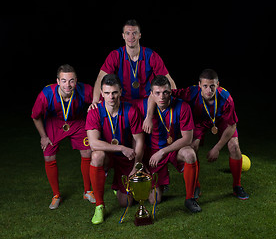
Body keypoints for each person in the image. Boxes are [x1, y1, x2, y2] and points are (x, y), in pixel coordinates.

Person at [171, 69, 249, 200]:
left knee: (234, 146)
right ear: (199, 85)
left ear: (218, 85)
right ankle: (195, 185)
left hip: (220, 121)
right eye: (205, 86)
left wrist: (217, 148)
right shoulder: (191, 93)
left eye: (212, 86)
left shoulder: (226, 97)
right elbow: (169, 93)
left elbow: (232, 126)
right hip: (199, 122)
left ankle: (237, 186)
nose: (209, 90)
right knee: (192, 147)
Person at [31, 64, 95, 209]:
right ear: (58, 81)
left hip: (77, 121)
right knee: (48, 156)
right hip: (54, 123)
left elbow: (99, 97)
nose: (68, 85)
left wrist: (94, 106)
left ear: (76, 81)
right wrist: (43, 136)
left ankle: (87, 191)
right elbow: (35, 116)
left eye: (71, 80)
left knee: (87, 152)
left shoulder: (83, 89)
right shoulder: (46, 94)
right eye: (64, 81)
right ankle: (56, 195)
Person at [136, 75, 201, 213]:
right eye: (157, 93)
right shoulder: (142, 107)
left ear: (170, 92)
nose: (162, 97)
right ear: (151, 94)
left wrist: (163, 152)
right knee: (154, 200)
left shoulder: (182, 106)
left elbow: (187, 139)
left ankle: (190, 198)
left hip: (173, 148)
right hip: (153, 151)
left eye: (165, 92)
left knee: (190, 154)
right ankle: (161, 182)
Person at [86, 74, 144, 225]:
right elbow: (93, 144)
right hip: (108, 155)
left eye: (114, 92)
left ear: (121, 91)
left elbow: (139, 140)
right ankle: (99, 206)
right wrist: (121, 147)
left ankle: (116, 185)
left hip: (127, 158)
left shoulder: (131, 110)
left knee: (127, 203)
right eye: (106, 93)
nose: (110, 97)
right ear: (101, 93)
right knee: (97, 155)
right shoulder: (94, 111)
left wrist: (136, 166)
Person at [92, 19, 176, 104]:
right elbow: (100, 78)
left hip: (147, 102)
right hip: (122, 102)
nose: (131, 37)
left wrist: (175, 101)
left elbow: (168, 80)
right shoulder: (115, 55)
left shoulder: (151, 56)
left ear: (139, 35)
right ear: (123, 36)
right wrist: (94, 101)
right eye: (128, 33)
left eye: (134, 33)